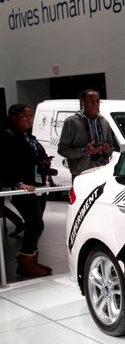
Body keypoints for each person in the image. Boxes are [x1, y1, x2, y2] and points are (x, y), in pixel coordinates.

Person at [0, 104, 53, 277]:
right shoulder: (7, 137)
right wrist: (17, 183)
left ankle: (31, 260)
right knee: (36, 224)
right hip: (23, 188)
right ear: (14, 117)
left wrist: (44, 161)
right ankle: (25, 263)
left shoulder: (29, 137)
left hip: (37, 185)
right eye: (25, 116)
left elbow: (36, 156)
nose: (29, 119)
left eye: (31, 116)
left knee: (35, 224)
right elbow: (5, 163)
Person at [58, 89, 119, 179]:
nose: (95, 104)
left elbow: (110, 147)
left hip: (102, 171)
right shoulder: (71, 122)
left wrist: (107, 149)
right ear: (83, 102)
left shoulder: (104, 121)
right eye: (91, 101)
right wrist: (85, 151)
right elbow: (62, 150)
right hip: (81, 174)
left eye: (97, 101)